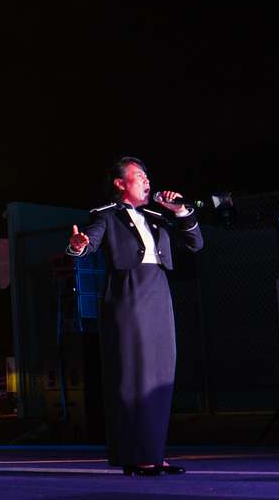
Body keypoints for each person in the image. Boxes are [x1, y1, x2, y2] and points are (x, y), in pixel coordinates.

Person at [67, 156, 203, 476]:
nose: (146, 180)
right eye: (138, 176)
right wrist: (78, 246)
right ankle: (135, 454)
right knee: (134, 374)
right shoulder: (106, 215)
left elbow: (195, 244)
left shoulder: (158, 217)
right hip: (129, 292)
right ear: (120, 183)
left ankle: (154, 452)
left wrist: (180, 211)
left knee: (160, 374)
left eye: (146, 176)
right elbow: (88, 243)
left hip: (159, 290)